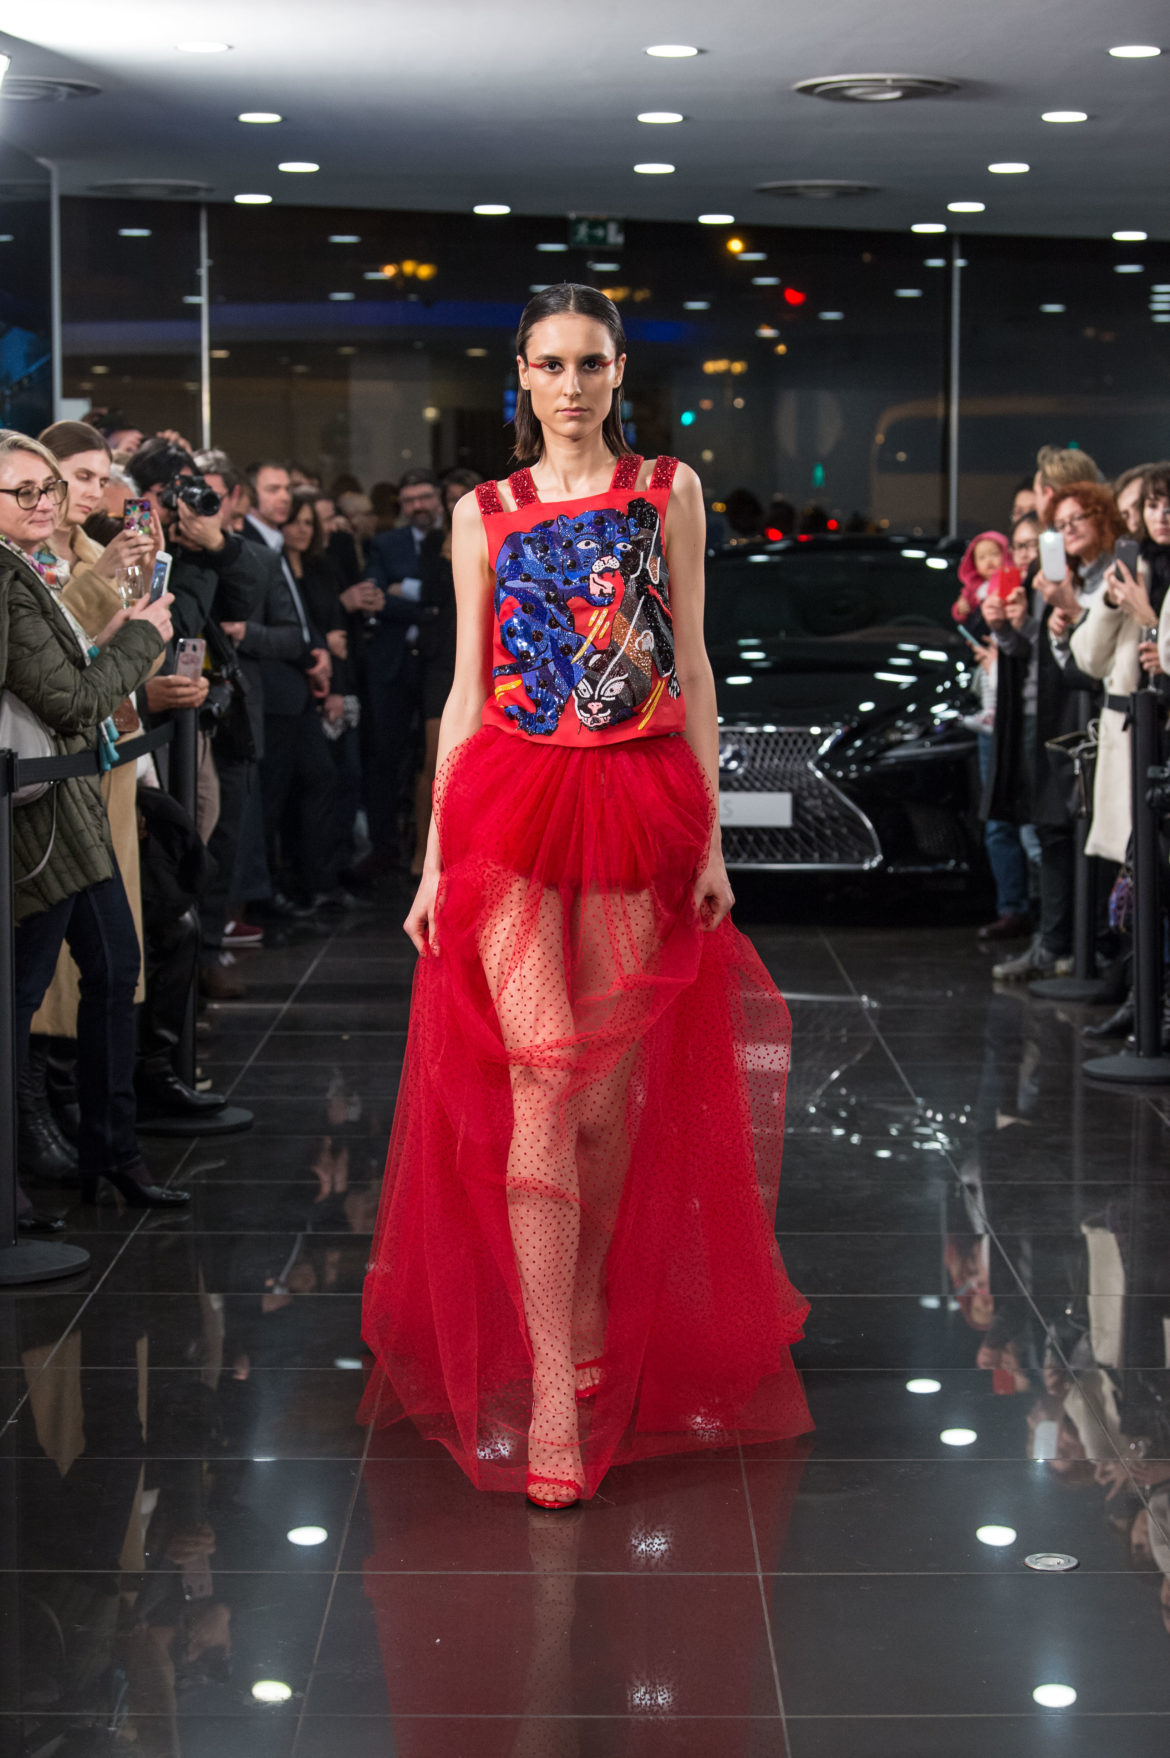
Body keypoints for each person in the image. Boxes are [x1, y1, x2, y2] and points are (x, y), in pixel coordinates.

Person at [359, 284, 811, 1508]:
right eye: (550, 364)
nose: (570, 385)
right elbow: (465, 691)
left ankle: (590, 1299)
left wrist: (712, 836)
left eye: (591, 363)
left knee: (605, 1103)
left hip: (638, 797)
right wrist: (433, 859)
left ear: (619, 374)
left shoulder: (667, 490)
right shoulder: (485, 510)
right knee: (543, 1070)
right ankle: (555, 1380)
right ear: (520, 374)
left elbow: (693, 661)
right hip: (509, 799)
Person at [0, 429, 187, 1213]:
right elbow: (72, 699)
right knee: (24, 996)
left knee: (114, 971)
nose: (45, 502)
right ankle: (17, 1187)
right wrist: (141, 636)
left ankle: (113, 1154)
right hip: (37, 816)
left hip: (68, 801)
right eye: (26, 491)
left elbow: (70, 679)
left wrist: (111, 635)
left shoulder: (34, 568)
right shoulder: (9, 578)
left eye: (49, 487)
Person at [984, 465, 1110, 982]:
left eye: (1074, 518)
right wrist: (1010, 627)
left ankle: (1085, 947)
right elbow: (1045, 651)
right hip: (1047, 712)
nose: (1063, 528)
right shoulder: (1059, 570)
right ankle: (1059, 942)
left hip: (1078, 716)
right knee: (1050, 832)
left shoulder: (1090, 572)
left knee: (1070, 835)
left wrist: (1059, 613)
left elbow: (1087, 658)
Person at [237, 462, 339, 910]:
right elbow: (254, 623)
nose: (283, 497)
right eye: (272, 489)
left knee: (311, 781)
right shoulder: (247, 542)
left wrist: (314, 650)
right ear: (248, 494)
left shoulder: (273, 542)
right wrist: (305, 652)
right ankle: (267, 894)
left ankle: (304, 883)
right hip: (270, 687)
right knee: (271, 797)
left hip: (292, 686)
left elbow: (293, 615)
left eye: (286, 489)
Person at [358, 469, 444, 874]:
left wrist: (406, 592)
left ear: (437, 498)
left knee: (434, 759)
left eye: (424, 497)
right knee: (385, 758)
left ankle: (430, 851)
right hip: (393, 665)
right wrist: (427, 607)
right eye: (409, 500)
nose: (417, 506)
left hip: (438, 664)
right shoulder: (385, 543)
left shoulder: (453, 538)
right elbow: (374, 597)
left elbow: (448, 599)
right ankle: (385, 848)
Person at [974, 514, 1042, 942]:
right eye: (1019, 547)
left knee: (1037, 830)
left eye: (1033, 545)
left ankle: (1050, 927)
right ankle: (1017, 911)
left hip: (1039, 717)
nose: (1025, 555)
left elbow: (1051, 657)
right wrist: (1000, 628)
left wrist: (1017, 628)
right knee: (1001, 820)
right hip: (1004, 716)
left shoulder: (1049, 588)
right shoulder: (1011, 588)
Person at [951, 529, 1008, 629]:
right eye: (982, 557)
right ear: (973, 563)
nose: (989, 560)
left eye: (995, 554)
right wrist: (960, 609)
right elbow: (961, 611)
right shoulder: (972, 587)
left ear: (1006, 555)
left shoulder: (1008, 582)